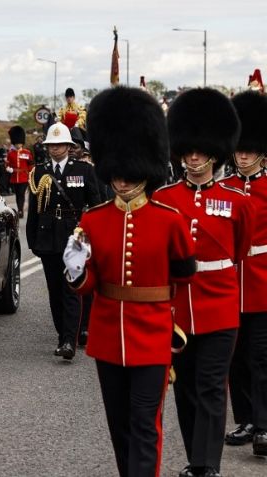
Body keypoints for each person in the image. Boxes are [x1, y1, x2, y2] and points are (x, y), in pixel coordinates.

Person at [65, 87, 197, 477]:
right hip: (108, 336)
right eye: (116, 175)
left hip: (153, 337)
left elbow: (184, 275)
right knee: (119, 427)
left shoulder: (168, 219)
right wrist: (76, 270)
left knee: (144, 425)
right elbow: (87, 286)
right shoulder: (94, 220)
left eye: (129, 175)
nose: (121, 182)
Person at [152, 88, 254, 477]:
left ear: (214, 151)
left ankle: (206, 465)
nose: (192, 157)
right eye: (187, 150)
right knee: (186, 389)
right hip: (178, 310)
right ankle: (198, 455)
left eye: (199, 150)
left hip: (219, 308)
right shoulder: (164, 199)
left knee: (212, 387)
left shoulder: (236, 201)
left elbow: (239, 250)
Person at [27, 122, 101, 360]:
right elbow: (34, 212)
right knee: (54, 291)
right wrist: (32, 239)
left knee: (71, 288)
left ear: (69, 146)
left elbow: (96, 206)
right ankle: (63, 333)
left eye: (60, 144)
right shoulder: (39, 171)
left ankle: (68, 340)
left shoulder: (84, 170)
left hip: (74, 234)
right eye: (51, 145)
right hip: (47, 236)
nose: (55, 148)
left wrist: (92, 235)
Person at [220, 90, 267, 456]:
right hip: (231, 284)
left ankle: (265, 424)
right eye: (240, 149)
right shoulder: (225, 189)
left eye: (250, 149)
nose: (244, 155)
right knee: (235, 357)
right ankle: (246, 419)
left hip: (264, 282)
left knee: (261, 356)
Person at [5, 126, 33, 218]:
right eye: (17, 143)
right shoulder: (10, 153)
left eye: (20, 143)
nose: (18, 145)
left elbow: (30, 165)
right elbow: (7, 165)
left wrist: (30, 176)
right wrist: (9, 169)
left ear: (22, 143)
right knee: (17, 195)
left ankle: (20, 210)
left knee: (21, 193)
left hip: (24, 177)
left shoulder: (27, 152)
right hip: (14, 177)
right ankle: (19, 208)